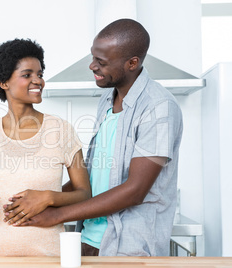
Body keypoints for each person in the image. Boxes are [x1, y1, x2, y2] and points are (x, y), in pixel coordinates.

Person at [16, 19, 183, 257]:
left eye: (101, 62)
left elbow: (134, 191)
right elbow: (94, 175)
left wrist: (57, 213)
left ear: (132, 63)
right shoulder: (107, 100)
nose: (92, 66)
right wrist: (42, 199)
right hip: (86, 239)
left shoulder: (158, 107)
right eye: (93, 57)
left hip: (129, 248)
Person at [0, 39, 91, 256]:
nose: (38, 81)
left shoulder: (61, 130)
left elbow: (84, 194)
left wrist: (48, 197)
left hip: (48, 258)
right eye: (27, 75)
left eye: (40, 74)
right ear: (4, 82)